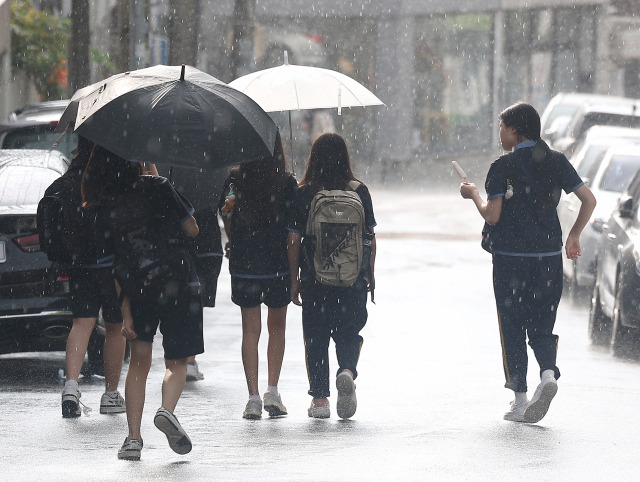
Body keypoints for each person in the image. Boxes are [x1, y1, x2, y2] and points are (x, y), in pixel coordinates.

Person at [459, 101, 596, 423]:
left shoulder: (503, 166)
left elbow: (492, 216)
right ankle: (547, 375)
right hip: (548, 259)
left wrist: (473, 196)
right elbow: (588, 200)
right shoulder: (557, 161)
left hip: (510, 261)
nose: (500, 133)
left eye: (502, 127)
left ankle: (520, 399)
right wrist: (573, 236)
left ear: (514, 130)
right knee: (542, 323)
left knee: (512, 326)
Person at [82, 146, 203, 461]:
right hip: (178, 281)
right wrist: (160, 181)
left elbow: (112, 265)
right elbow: (193, 229)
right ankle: (166, 410)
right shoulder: (159, 186)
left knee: (139, 363)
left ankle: (133, 439)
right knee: (176, 363)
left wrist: (124, 312)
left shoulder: (104, 206)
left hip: (139, 288)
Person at [287, 132, 377, 419]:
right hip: (352, 278)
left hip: (316, 279)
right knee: (349, 332)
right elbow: (370, 238)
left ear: (313, 158)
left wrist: (293, 279)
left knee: (315, 337)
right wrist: (369, 276)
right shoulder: (359, 190)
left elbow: (292, 240)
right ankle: (347, 370)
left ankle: (320, 400)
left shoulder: (305, 192)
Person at [219, 131, 296, 419]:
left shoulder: (234, 179)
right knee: (277, 327)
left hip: (244, 263)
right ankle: (272, 392)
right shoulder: (286, 182)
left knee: (250, 331)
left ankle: (252, 398)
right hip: (277, 263)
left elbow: (226, 214)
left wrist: (233, 237)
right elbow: (293, 228)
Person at [55, 135, 126, 418]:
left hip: (81, 263)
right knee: (115, 326)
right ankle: (110, 394)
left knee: (81, 323)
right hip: (112, 263)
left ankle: (71, 386)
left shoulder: (73, 176)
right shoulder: (116, 174)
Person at [158, 164, 224, 382]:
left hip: (178, 236)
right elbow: (223, 203)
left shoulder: (167, 166)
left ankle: (180, 357)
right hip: (207, 238)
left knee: (181, 298)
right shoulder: (216, 165)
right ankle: (189, 359)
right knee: (195, 300)